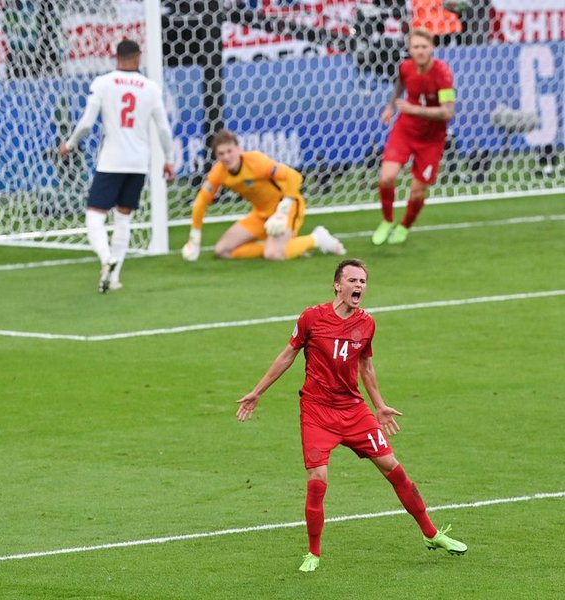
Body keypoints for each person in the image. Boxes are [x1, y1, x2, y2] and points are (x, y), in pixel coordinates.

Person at [236, 258, 467, 572]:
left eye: (363, 282)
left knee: (395, 471)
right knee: (318, 481)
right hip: (317, 411)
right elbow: (288, 354)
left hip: (354, 411)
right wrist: (257, 391)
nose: (359, 286)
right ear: (337, 284)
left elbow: (366, 367)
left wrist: (380, 405)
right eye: (353, 281)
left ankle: (431, 533)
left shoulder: (367, 324)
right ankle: (313, 553)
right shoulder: (311, 318)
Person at [59, 39, 175, 293]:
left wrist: (70, 143)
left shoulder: (103, 83)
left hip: (111, 160)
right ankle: (113, 278)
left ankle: (105, 257)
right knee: (123, 220)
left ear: (117, 57)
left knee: (94, 215)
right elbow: (164, 129)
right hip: (138, 163)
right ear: (137, 58)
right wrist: (168, 159)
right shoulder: (150, 87)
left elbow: (87, 123)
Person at [181, 130, 345, 262]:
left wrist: (284, 209)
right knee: (222, 251)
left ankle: (317, 238)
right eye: (221, 153)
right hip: (261, 214)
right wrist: (194, 236)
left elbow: (294, 176)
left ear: (238, 149)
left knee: (274, 255)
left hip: (288, 207)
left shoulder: (256, 162)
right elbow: (201, 201)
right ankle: (283, 246)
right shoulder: (218, 172)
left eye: (229, 151)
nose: (226, 157)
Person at [372, 28, 455, 246]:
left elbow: (448, 111)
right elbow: (400, 84)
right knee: (386, 177)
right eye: (416, 47)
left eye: (424, 47)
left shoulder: (442, 74)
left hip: (431, 138)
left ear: (432, 48)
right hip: (405, 130)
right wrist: (391, 107)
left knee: (417, 191)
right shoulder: (406, 67)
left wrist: (414, 109)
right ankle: (387, 220)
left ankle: (405, 225)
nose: (420, 51)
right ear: (409, 49)